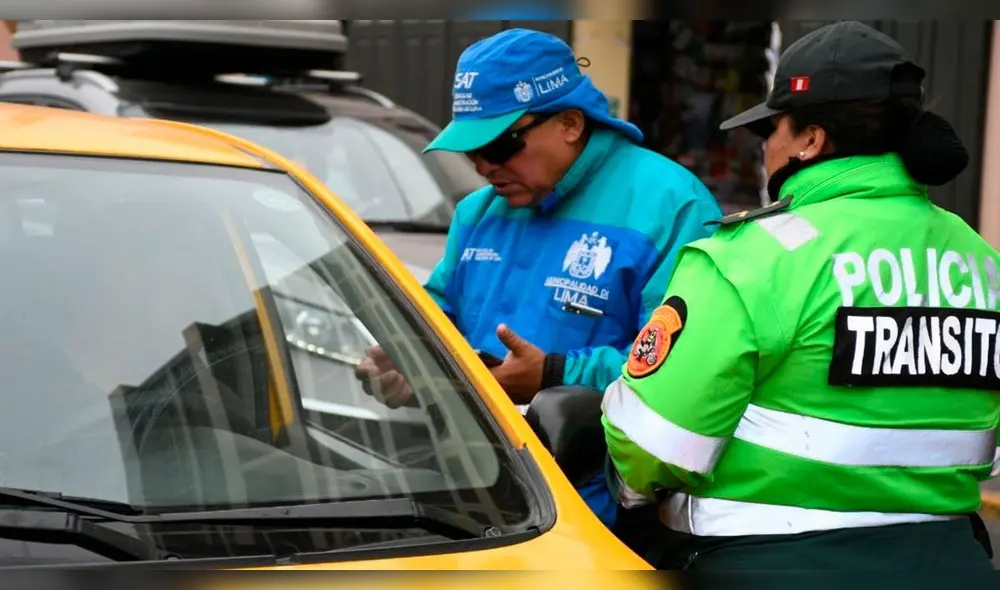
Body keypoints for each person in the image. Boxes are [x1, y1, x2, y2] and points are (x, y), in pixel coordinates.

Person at [601, 20, 1000, 571]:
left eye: (771, 130)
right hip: (954, 563)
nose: (765, 148)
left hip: (772, 566)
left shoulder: (750, 258)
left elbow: (652, 447)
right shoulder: (981, 258)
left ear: (811, 140)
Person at [355, 27, 722, 538]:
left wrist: (554, 373)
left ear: (570, 123)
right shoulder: (477, 213)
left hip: (600, 516)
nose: (484, 167)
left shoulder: (671, 206)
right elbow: (439, 318)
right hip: (470, 498)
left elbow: (686, 372)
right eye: (470, 152)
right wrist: (407, 360)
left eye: (500, 145)